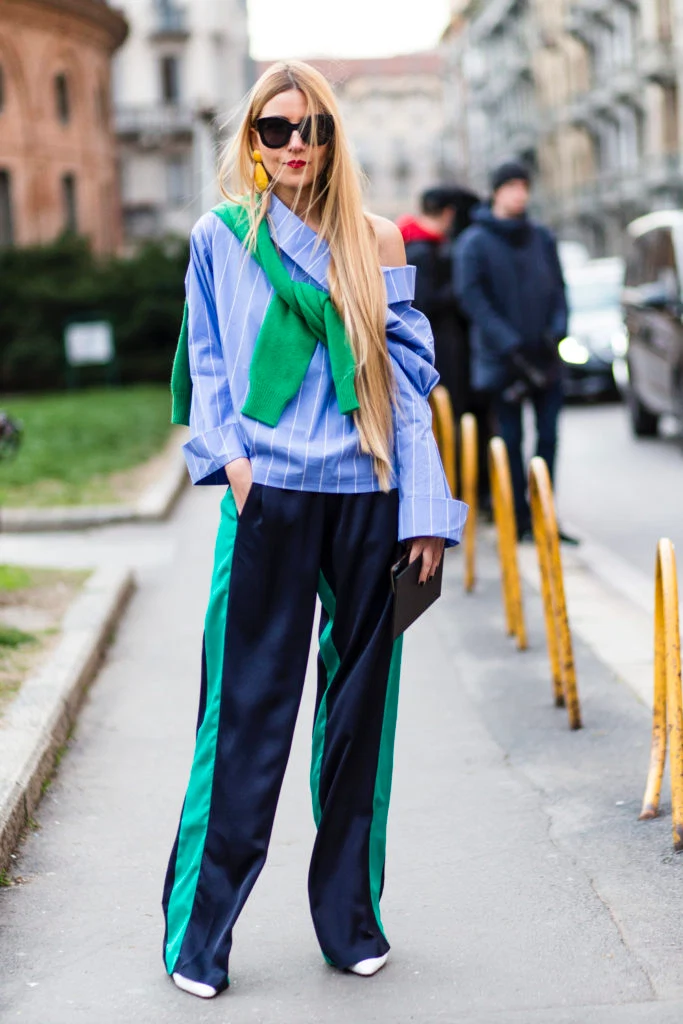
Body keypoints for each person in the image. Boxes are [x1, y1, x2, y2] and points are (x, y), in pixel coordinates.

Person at [164, 60, 467, 1000]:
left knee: (359, 722)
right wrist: (237, 470)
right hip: (269, 499)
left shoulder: (373, 239)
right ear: (251, 141)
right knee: (244, 716)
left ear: (334, 140)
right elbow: (208, 368)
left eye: (314, 128)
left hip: (368, 497)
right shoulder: (221, 237)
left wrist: (424, 510)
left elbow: (406, 383)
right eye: (276, 128)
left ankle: (349, 921)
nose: (296, 144)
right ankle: (197, 937)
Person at [454, 160, 570, 540]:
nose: (520, 194)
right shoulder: (474, 242)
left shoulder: (541, 236)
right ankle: (518, 521)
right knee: (511, 441)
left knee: (549, 438)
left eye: (524, 186)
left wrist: (557, 330)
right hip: (503, 360)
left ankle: (544, 517)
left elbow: (559, 288)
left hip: (545, 357)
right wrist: (508, 342)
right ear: (496, 192)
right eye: (511, 186)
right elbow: (472, 298)